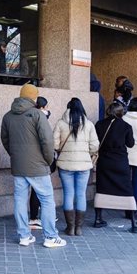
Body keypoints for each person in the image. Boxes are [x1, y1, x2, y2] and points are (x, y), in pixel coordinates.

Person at [1, 83, 66, 248]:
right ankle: (50, 237)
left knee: (20, 200)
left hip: (18, 165)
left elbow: (5, 140)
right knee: (47, 200)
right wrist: (48, 159)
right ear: (34, 97)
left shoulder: (8, 116)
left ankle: (24, 236)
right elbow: (47, 140)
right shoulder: (37, 114)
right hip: (38, 166)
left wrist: (15, 156)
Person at [53, 98, 99, 236]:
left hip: (65, 164)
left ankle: (70, 227)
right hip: (84, 165)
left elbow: (54, 145)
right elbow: (94, 146)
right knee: (81, 194)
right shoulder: (89, 124)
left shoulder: (61, 123)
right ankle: (78, 228)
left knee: (68, 194)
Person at [93, 103, 137, 233]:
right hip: (120, 162)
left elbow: (95, 142)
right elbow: (130, 144)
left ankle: (98, 218)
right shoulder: (126, 126)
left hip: (104, 161)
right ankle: (133, 222)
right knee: (126, 189)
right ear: (121, 113)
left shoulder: (99, 124)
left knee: (102, 187)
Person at [29, 96, 51, 228]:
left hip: (27, 159)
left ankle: (33, 217)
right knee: (43, 192)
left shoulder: (28, 116)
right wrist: (49, 159)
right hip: (40, 160)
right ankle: (40, 219)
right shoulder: (42, 118)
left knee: (30, 191)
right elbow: (46, 140)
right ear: (43, 107)